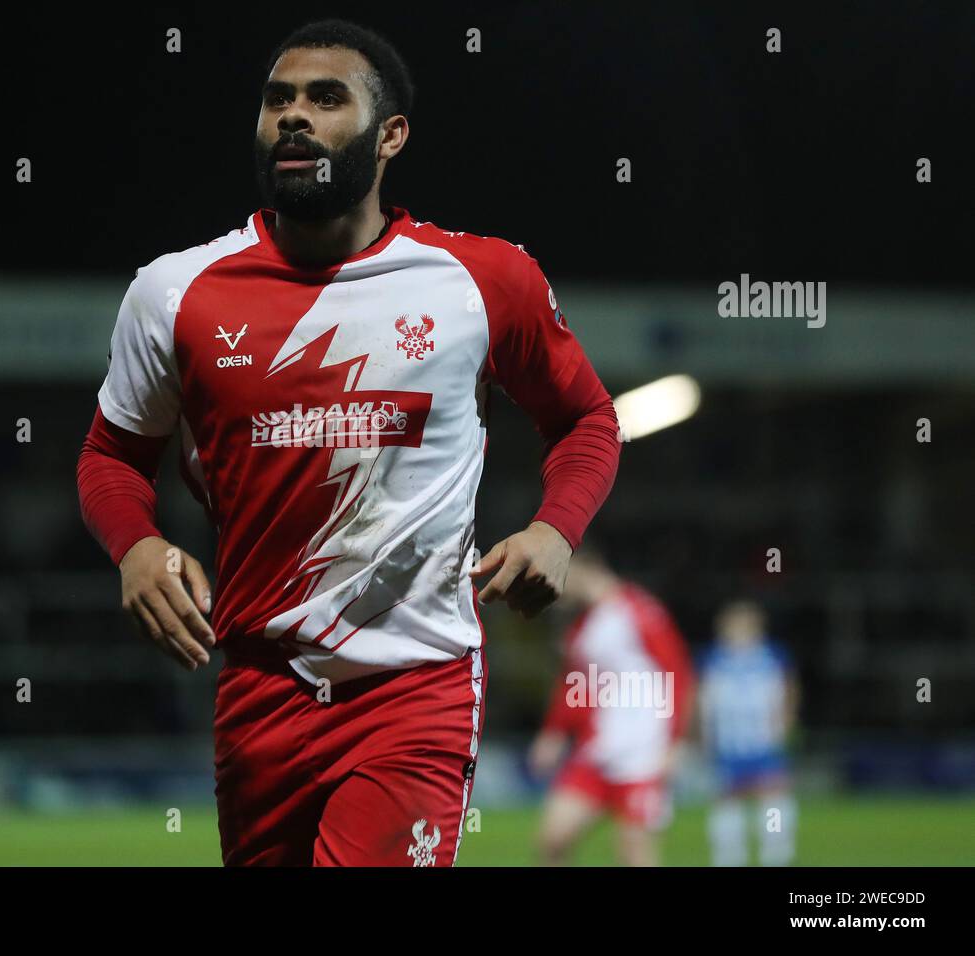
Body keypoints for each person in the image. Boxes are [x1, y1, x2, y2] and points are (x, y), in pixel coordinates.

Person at [77, 19, 621, 866]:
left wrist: (557, 530)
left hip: (416, 685)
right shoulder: (175, 294)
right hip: (258, 689)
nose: (294, 116)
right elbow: (111, 455)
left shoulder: (481, 281)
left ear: (390, 135)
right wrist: (136, 547)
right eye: (277, 100)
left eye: (326, 99)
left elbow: (587, 419)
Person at [529, 547, 693, 866]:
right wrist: (554, 733)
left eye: (561, 577)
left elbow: (678, 674)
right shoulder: (582, 628)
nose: (557, 589)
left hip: (643, 753)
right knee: (553, 839)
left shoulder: (639, 610)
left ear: (582, 569)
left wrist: (676, 741)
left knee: (634, 854)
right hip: (597, 751)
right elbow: (574, 686)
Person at [698, 599, 798, 866]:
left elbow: (788, 689)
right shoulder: (713, 658)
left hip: (763, 737)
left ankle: (775, 850)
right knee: (726, 799)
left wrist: (786, 720)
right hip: (728, 740)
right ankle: (729, 855)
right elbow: (702, 696)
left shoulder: (772, 655)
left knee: (772, 795)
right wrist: (704, 731)